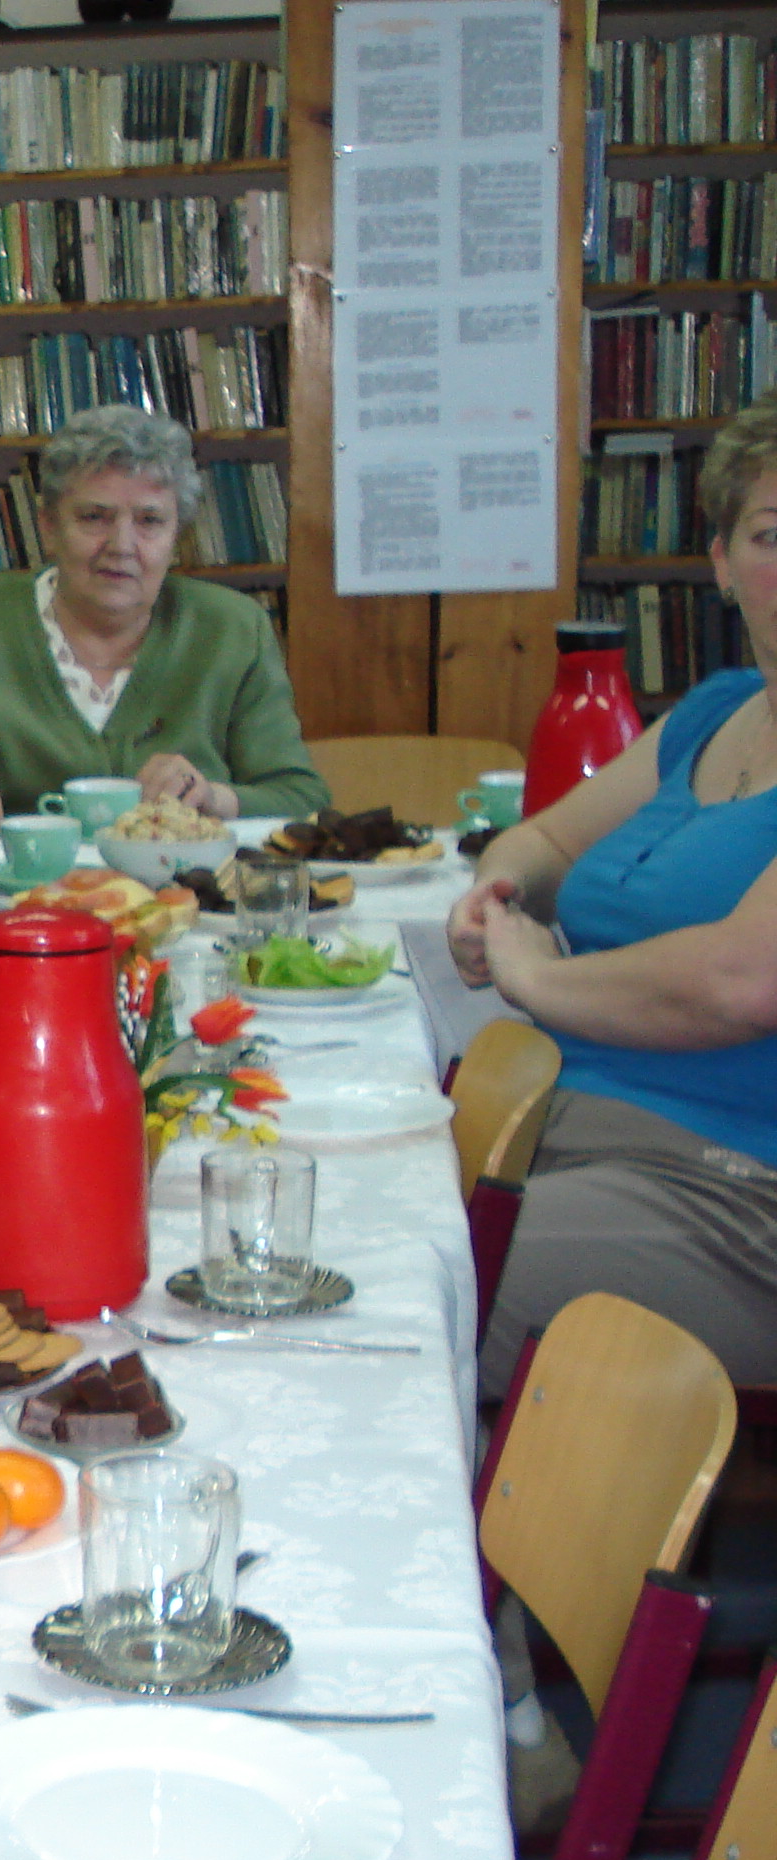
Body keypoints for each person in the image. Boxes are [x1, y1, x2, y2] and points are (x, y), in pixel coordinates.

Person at [450, 398, 777, 1395]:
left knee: (414, 1291)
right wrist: (496, 891)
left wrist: (537, 979)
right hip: (560, 1131)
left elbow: (740, 982)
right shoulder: (715, 713)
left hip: (732, 1198)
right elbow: (549, 838)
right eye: (771, 536)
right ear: (721, 563)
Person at [0, 405, 329, 834]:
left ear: (177, 536)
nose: (121, 545)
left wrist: (216, 800)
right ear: (49, 527)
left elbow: (302, 798)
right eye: (94, 517)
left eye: (150, 520)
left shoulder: (233, 629)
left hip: (181, 898)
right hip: (2, 896)